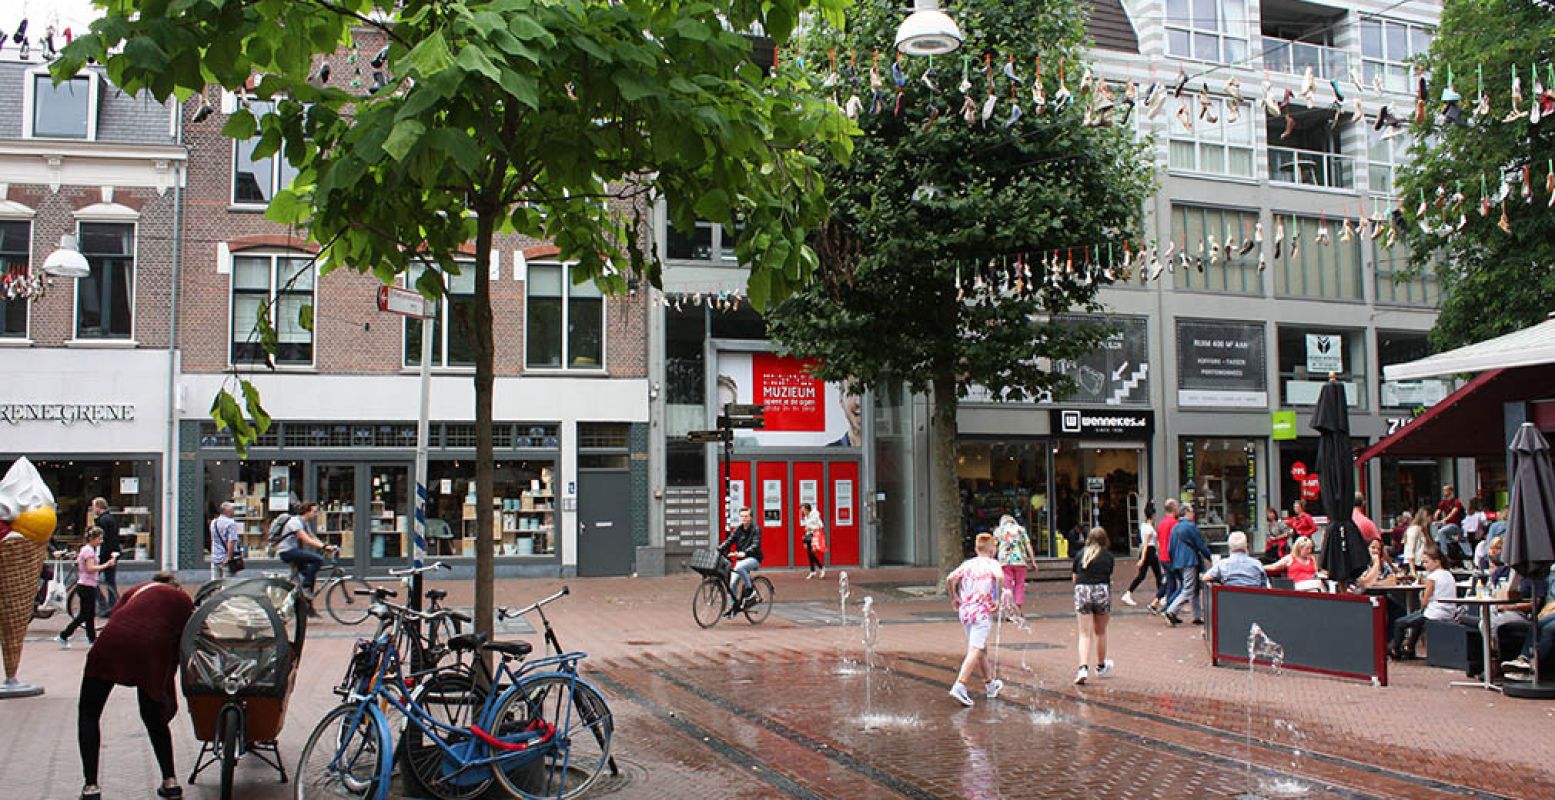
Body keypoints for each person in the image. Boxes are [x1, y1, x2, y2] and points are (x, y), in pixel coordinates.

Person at [76, 571, 194, 800]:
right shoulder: (183, 601)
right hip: (151, 652)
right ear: (176, 586)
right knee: (153, 717)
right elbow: (184, 645)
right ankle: (170, 782)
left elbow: (116, 616)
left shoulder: (138, 589)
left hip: (111, 643)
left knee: (89, 713)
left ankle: (91, 787)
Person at [946, 533, 1005, 706]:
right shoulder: (992, 563)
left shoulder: (968, 564)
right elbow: (1000, 577)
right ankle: (960, 684)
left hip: (965, 610)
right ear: (992, 550)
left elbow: (950, 578)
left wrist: (954, 596)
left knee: (981, 648)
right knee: (976, 648)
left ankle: (990, 684)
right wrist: (997, 598)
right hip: (982, 611)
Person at [1389, 550, 1460, 660]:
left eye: (1426, 562)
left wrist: (1422, 603)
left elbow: (1424, 601)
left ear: (1437, 562)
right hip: (1449, 611)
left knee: (1400, 623)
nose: (1424, 565)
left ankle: (1396, 651)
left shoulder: (1433, 577)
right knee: (1417, 622)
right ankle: (1410, 648)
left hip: (1435, 613)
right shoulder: (1449, 574)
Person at [58, 527, 117, 648]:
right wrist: (106, 565)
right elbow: (90, 568)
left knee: (89, 614)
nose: (101, 541)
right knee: (85, 615)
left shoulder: (86, 550)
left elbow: (79, 562)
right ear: (92, 539)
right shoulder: (89, 551)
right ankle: (64, 635)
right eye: (99, 538)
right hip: (87, 585)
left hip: (86, 584)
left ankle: (92, 640)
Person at [1072, 526, 1115, 686]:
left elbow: (1075, 577)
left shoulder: (1080, 555)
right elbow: (1108, 575)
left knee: (1084, 633)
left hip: (1083, 590)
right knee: (1100, 632)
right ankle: (1101, 665)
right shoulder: (1108, 557)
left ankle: (1083, 667)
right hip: (1101, 590)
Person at [1163, 505, 1212, 626]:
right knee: (1189, 589)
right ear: (1186, 513)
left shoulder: (1175, 528)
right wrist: (1210, 557)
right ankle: (1171, 611)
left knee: (1193, 588)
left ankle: (1197, 615)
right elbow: (1200, 544)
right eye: (1192, 511)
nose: (1193, 514)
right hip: (1189, 560)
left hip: (1178, 562)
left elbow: (1170, 548)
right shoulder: (1190, 526)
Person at [275, 502, 330, 596]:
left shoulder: (304, 522)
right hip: (287, 552)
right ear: (307, 512)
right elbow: (306, 540)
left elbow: (312, 537)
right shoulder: (294, 522)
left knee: (310, 574)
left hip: (293, 550)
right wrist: (324, 547)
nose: (316, 514)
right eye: (314, 512)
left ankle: (306, 602)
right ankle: (305, 587)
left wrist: (325, 546)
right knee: (318, 560)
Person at [719, 507, 763, 615]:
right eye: (742, 516)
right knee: (732, 583)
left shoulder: (756, 529)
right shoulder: (738, 529)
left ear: (751, 517)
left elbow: (755, 544)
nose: (744, 518)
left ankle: (750, 591)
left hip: (753, 558)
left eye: (746, 516)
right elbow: (729, 541)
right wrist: (719, 549)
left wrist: (745, 552)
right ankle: (734, 607)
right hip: (741, 559)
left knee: (739, 567)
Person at [994, 515, 1036, 619]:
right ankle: (1018, 609)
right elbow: (1028, 545)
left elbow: (993, 546)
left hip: (1005, 561)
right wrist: (1033, 560)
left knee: (1007, 587)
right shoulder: (1021, 529)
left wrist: (991, 559)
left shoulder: (999, 530)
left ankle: (1009, 613)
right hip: (1020, 561)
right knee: (1020, 585)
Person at [1122, 503, 1161, 607]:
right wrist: (1143, 558)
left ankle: (1129, 593)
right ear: (1153, 515)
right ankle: (1161, 596)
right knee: (1156, 575)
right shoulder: (1149, 528)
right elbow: (1146, 544)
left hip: (1149, 551)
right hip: (1149, 551)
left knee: (1144, 575)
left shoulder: (1143, 526)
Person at [89, 498, 121, 617]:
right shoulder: (111, 518)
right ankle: (113, 607)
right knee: (110, 581)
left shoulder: (102, 521)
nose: (92, 509)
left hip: (104, 555)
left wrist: (97, 555)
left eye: (93, 507)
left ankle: (103, 605)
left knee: (91, 579)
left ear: (98, 507)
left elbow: (101, 540)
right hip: (112, 554)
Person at [1203, 531, 1270, 589]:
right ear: (1246, 546)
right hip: (1254, 601)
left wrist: (1219, 585)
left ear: (1229, 547)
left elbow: (1205, 578)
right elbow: (1265, 586)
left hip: (1229, 601)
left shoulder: (1223, 564)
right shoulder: (1257, 564)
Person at [1148, 499, 1179, 613]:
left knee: (1170, 582)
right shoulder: (1174, 523)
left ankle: (1165, 605)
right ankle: (1170, 607)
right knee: (1179, 584)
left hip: (1163, 556)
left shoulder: (1161, 523)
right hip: (1171, 557)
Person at [209, 502, 242, 580]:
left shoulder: (214, 522)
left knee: (215, 583)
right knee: (229, 584)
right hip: (226, 559)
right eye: (232, 510)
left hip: (215, 557)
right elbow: (231, 541)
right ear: (228, 511)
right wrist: (229, 557)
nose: (234, 512)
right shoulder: (231, 523)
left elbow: (213, 539)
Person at [800, 502, 826, 580]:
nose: (802, 511)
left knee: (811, 553)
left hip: (815, 535)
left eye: (803, 510)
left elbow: (821, 526)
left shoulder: (815, 515)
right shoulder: (806, 517)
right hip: (809, 536)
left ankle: (821, 568)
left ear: (807, 509)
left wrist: (810, 528)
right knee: (809, 553)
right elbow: (807, 528)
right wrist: (805, 537)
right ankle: (812, 571)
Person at [1403, 508, 1430, 576]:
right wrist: (1413, 572)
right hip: (1414, 566)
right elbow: (1410, 550)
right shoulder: (1414, 529)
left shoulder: (1424, 530)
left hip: (1422, 564)